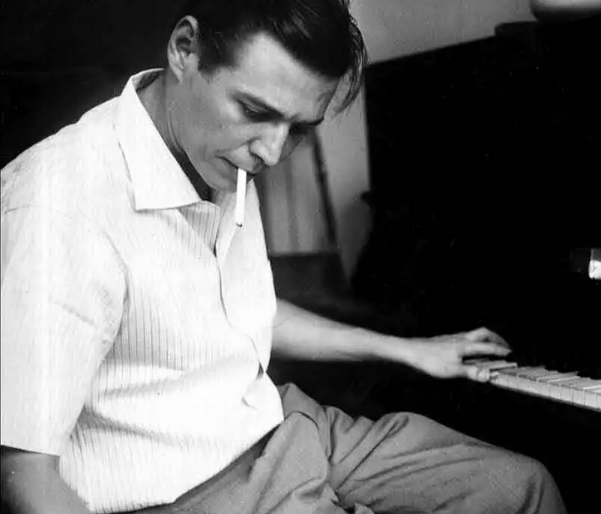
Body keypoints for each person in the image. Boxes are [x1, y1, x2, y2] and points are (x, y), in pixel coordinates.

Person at [0, 1, 568, 513]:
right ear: (185, 49)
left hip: (281, 426)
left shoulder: (218, 149)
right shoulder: (59, 204)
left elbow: (242, 313)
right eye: (255, 109)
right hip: (193, 487)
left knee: (520, 487)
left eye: (298, 128)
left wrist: (408, 350)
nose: (272, 152)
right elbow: (23, 471)